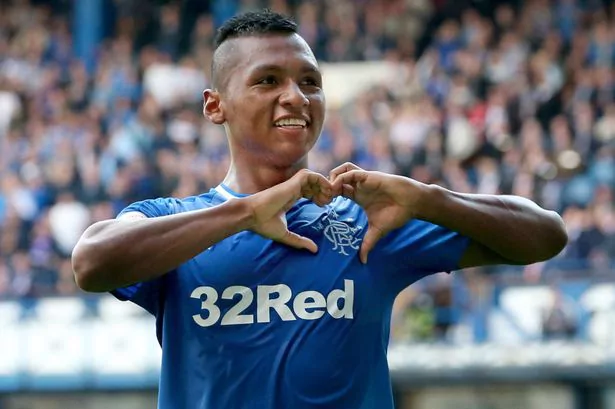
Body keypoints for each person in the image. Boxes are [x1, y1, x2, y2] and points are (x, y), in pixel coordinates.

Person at [71, 10, 568, 409]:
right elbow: (91, 262)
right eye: (267, 81)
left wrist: (427, 197)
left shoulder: (370, 220)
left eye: (310, 81)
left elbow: (545, 235)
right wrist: (244, 213)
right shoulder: (175, 221)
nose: (296, 97)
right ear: (215, 105)